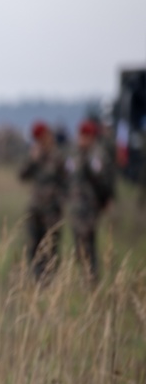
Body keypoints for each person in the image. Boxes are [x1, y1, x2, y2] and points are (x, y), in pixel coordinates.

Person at [18, 121, 67, 281]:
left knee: (51, 248)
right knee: (35, 247)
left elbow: (67, 182)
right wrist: (33, 159)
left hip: (52, 211)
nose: (41, 142)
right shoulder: (35, 156)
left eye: (42, 138)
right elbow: (22, 176)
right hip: (36, 209)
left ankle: (50, 281)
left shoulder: (58, 157)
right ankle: (36, 279)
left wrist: (60, 201)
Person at [67, 118, 115, 282]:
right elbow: (68, 175)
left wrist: (106, 200)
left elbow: (102, 179)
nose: (82, 139)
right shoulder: (74, 153)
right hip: (76, 206)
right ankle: (85, 278)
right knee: (78, 244)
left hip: (90, 207)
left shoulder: (97, 155)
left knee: (88, 242)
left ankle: (92, 279)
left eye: (86, 136)